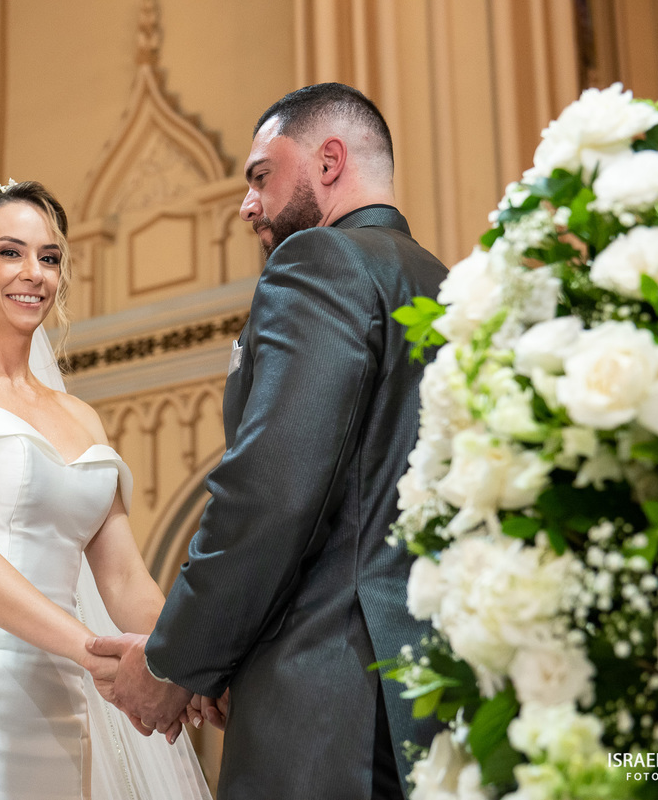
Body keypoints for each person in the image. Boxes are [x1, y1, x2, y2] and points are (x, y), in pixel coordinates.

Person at [85, 84, 448, 798]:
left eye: (260, 176)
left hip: (325, 705)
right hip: (426, 697)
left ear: (330, 160)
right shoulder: (442, 280)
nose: (247, 203)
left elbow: (273, 494)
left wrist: (172, 665)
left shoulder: (320, 261)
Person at [0, 180, 210, 800]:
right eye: (11, 253)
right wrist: (92, 651)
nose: (35, 274)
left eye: (49, 258)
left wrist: (184, 664)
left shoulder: (81, 418)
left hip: (57, 699)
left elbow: (126, 580)